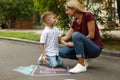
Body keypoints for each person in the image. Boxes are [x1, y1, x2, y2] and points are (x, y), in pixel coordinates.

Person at [59, 0, 103, 73]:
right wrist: (56, 37)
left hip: (94, 48)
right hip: (84, 48)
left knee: (76, 35)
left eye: (67, 10)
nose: (66, 12)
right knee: (62, 52)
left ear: (74, 9)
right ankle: (85, 58)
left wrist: (74, 43)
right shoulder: (75, 21)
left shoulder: (88, 15)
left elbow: (91, 35)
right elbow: (66, 37)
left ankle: (81, 64)